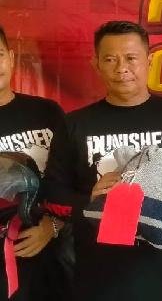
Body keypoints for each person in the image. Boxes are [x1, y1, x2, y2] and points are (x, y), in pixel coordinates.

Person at [43, 21, 162, 301]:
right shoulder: (74, 124)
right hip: (99, 277)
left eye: (131, 58)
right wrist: (89, 200)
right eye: (110, 59)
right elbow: (52, 192)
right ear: (96, 64)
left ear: (149, 60)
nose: (121, 68)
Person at [0, 25, 70, 301]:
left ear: (11, 58)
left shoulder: (46, 112)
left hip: (53, 253)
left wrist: (52, 226)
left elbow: (73, 178)